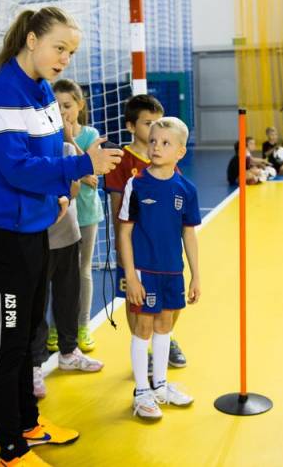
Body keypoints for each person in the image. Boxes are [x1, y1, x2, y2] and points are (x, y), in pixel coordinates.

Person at [0, 7, 122, 466]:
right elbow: (17, 167)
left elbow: (49, 152)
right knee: (6, 344)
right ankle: (10, 449)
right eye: (59, 48)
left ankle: (29, 425)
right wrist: (83, 165)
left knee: (30, 332)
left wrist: (60, 193)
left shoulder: (42, 88)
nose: (65, 58)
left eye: (71, 52)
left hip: (34, 229)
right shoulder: (0, 93)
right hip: (1, 237)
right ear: (31, 40)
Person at [118, 117, 201, 419]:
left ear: (180, 151)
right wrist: (130, 275)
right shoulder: (136, 184)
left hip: (173, 272)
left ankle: (161, 386)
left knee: (165, 326)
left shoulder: (186, 189)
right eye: (153, 141)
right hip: (144, 271)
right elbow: (124, 233)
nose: (156, 147)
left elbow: (189, 234)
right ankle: (142, 392)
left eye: (165, 143)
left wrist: (195, 276)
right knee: (143, 328)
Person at [104, 95, 189, 368]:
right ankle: (143, 349)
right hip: (136, 248)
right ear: (131, 126)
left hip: (164, 248)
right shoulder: (122, 161)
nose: (155, 128)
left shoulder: (168, 158)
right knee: (135, 300)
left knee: (171, 299)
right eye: (148, 123)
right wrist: (122, 247)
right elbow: (117, 208)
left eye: (159, 122)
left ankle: (167, 337)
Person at [31, 141, 104, 400]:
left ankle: (69, 352)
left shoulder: (66, 149)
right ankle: (34, 365)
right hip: (37, 237)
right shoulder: (29, 150)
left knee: (69, 297)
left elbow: (73, 188)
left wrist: (59, 186)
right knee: (37, 304)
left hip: (68, 234)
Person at [52, 79, 104, 353]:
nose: (62, 112)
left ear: (80, 105)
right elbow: (59, 170)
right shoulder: (48, 137)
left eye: (67, 106)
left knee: (83, 270)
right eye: (57, 106)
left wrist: (70, 139)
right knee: (57, 274)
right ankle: (55, 327)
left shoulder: (90, 134)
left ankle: (83, 326)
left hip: (86, 213)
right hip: (59, 216)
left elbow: (93, 168)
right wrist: (81, 174)